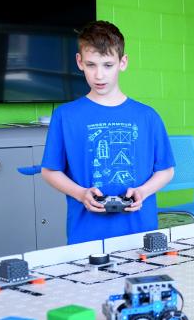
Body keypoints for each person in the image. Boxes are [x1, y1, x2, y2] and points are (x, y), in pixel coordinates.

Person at [41, 20, 175, 244]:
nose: (99, 75)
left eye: (107, 65)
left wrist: (143, 191)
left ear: (123, 62)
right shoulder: (65, 116)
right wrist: (80, 194)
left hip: (139, 231)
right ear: (79, 62)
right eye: (91, 65)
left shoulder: (147, 116)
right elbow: (50, 171)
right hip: (86, 234)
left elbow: (166, 170)